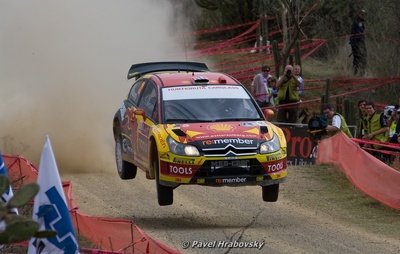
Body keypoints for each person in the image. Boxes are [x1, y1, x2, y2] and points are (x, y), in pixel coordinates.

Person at [349, 9, 367, 76]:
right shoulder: (357, 21)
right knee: (357, 57)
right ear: (359, 14)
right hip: (355, 42)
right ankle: (355, 73)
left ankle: (362, 73)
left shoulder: (361, 22)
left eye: (364, 14)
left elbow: (361, 32)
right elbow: (359, 32)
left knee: (364, 57)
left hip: (361, 41)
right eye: (362, 14)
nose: (363, 16)